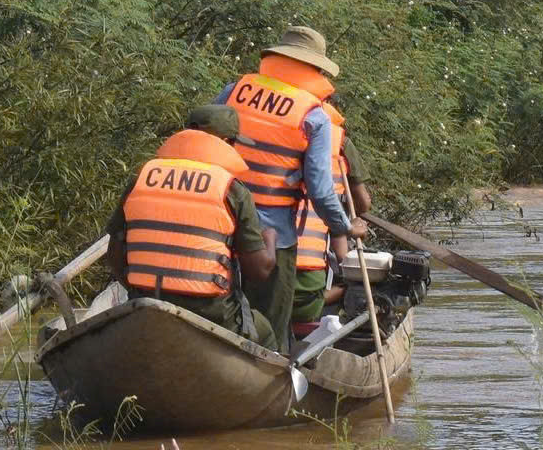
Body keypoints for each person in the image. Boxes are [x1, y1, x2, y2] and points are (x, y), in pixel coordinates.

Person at [216, 26, 367, 355]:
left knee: (220, 315)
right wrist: (345, 226)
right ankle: (274, 371)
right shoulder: (313, 116)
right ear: (315, 70)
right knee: (272, 324)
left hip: (218, 225)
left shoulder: (232, 92)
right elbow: (320, 190)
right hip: (273, 237)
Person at [106, 105, 276, 347]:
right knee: (266, 333)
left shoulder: (142, 178)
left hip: (146, 306)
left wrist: (143, 288)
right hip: (212, 315)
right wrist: (270, 239)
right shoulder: (232, 189)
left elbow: (114, 256)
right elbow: (258, 272)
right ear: (227, 142)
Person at [291, 107, 375, 336]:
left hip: (277, 246)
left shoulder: (282, 136)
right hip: (321, 245)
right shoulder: (340, 142)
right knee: (350, 277)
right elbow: (363, 204)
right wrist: (352, 223)